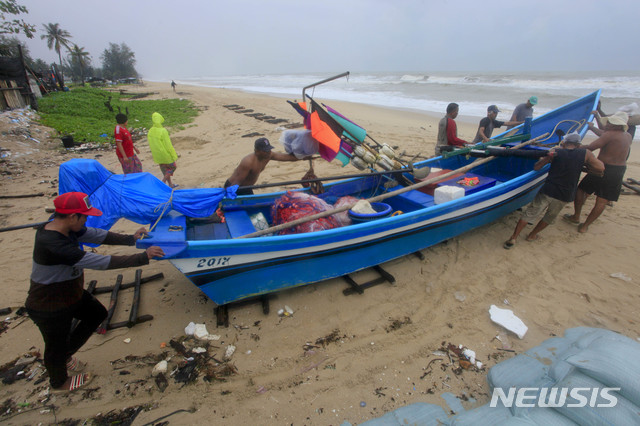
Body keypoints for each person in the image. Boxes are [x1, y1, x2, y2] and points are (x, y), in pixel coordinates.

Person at [25, 192, 165, 392]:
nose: (87, 219)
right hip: (48, 303)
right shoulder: (54, 244)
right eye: (85, 216)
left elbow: (98, 235)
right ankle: (60, 383)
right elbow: (100, 262)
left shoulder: (69, 228)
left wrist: (131, 239)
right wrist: (143, 257)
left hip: (70, 293)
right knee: (55, 345)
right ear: (73, 217)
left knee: (97, 314)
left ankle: (66, 354)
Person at [503, 133, 604, 249]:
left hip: (549, 189)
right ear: (578, 145)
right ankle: (532, 235)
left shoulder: (556, 152)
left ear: (564, 143)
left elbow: (537, 167)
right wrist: (584, 165)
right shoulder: (585, 153)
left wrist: (546, 158)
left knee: (530, 213)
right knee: (549, 216)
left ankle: (514, 237)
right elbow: (600, 168)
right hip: (565, 193)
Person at [564, 111, 632, 233]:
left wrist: (574, 146)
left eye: (611, 123)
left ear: (617, 125)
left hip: (602, 167)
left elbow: (591, 147)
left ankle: (576, 216)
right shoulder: (627, 135)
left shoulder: (609, 134)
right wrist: (592, 127)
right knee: (602, 200)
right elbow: (604, 134)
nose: (608, 124)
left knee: (581, 190)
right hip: (619, 170)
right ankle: (585, 226)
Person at [224, 137, 301, 195]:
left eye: (269, 149)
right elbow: (237, 181)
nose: (268, 152)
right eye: (265, 151)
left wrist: (303, 157)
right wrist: (227, 195)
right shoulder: (248, 162)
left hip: (248, 188)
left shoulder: (269, 155)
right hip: (235, 187)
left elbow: (285, 157)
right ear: (256, 151)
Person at [147, 112, 179, 188]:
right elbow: (168, 145)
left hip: (157, 155)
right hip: (165, 154)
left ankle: (170, 184)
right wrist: (173, 155)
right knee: (173, 167)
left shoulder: (151, 130)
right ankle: (163, 182)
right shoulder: (163, 131)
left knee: (165, 170)